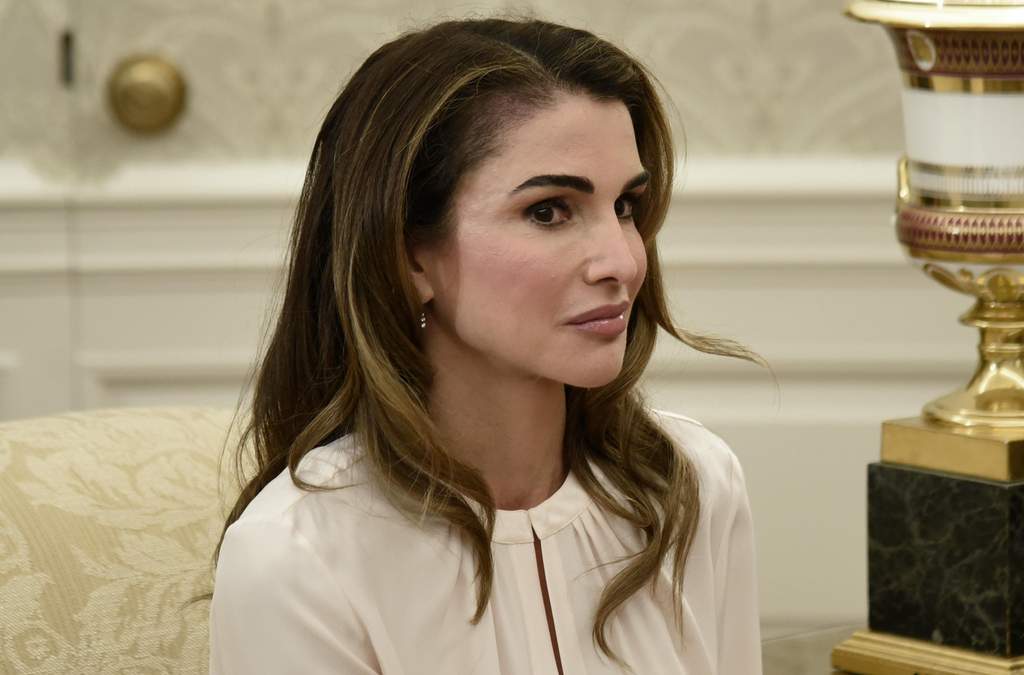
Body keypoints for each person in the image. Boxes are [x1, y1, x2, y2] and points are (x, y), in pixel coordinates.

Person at [208, 17, 764, 675]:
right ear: (409, 256)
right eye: (548, 211)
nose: (622, 260)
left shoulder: (690, 483)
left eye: (625, 207)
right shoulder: (297, 557)